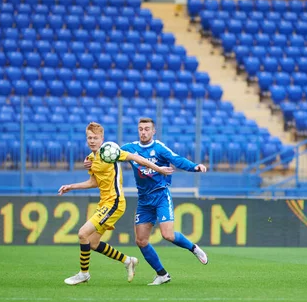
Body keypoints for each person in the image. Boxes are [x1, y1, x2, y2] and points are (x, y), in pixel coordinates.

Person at [84, 117, 208, 286]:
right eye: (141, 129)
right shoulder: (130, 148)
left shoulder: (159, 148)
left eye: (147, 129)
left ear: (153, 131)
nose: (143, 132)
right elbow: (108, 154)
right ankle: (162, 274)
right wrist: (90, 160)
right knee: (141, 241)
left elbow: (177, 159)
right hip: (143, 200)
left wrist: (195, 166)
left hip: (161, 195)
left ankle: (193, 248)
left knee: (167, 235)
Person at [58, 122, 175, 286]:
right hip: (104, 203)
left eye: (95, 138)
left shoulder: (110, 152)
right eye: (89, 138)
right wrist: (72, 186)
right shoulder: (91, 159)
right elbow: (94, 182)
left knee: (82, 233)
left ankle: (83, 274)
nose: (92, 141)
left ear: (102, 139)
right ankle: (128, 261)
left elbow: (136, 158)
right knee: (92, 243)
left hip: (114, 202)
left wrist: (159, 169)